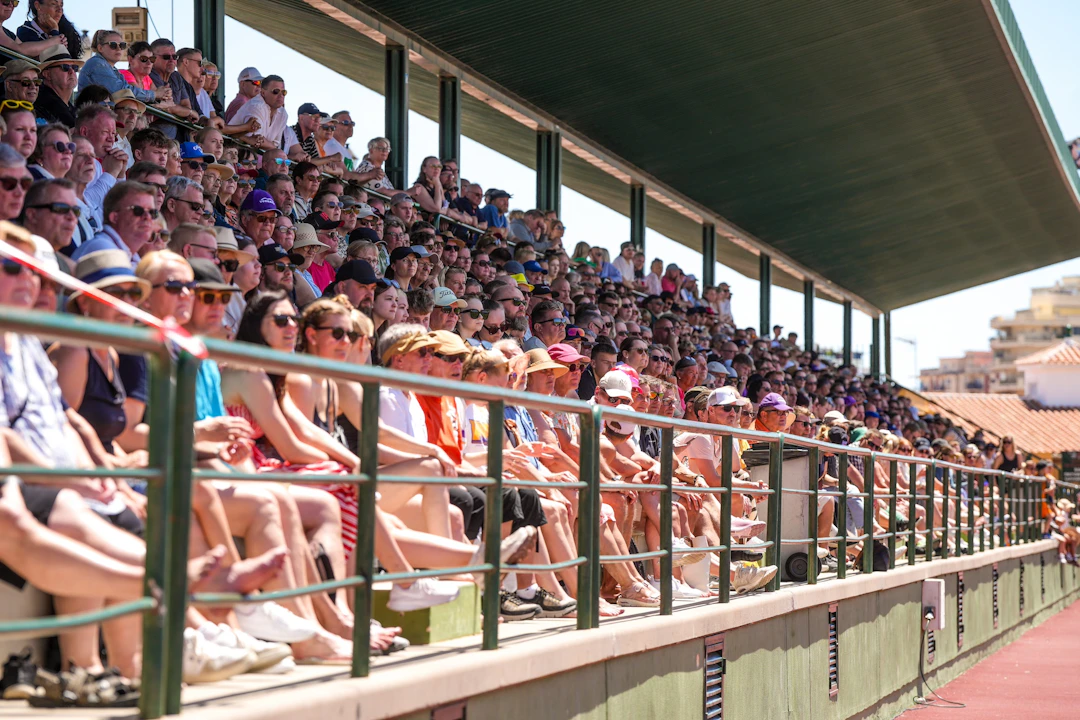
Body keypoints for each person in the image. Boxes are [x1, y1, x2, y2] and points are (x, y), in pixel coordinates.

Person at [71, 181, 158, 267]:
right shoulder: (102, 249)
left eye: (152, 212)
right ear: (114, 217)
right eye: (138, 211)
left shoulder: (130, 255)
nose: (147, 216)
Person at [77, 30, 163, 105]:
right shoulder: (97, 64)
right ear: (100, 48)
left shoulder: (111, 69)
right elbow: (122, 91)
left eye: (122, 45)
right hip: (92, 117)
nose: (118, 49)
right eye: (113, 45)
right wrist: (155, 94)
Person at [233, 74, 288, 151]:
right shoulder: (256, 106)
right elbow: (257, 141)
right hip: (237, 151)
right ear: (263, 93)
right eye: (276, 91)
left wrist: (273, 147)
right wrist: (274, 148)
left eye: (284, 92)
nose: (281, 95)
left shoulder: (283, 113)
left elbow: (274, 144)